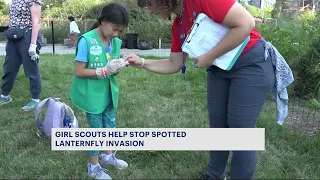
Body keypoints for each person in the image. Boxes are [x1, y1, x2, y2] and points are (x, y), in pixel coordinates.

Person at [125, 0, 293, 180]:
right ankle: (214, 176)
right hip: (219, 69)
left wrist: (210, 56)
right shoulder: (178, 25)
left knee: (241, 133)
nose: (148, 12)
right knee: (218, 128)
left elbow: (246, 23)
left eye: (149, 5)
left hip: (251, 65)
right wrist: (142, 63)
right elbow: (174, 64)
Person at [69, 3, 129, 180]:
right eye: (115, 29)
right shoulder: (86, 41)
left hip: (109, 93)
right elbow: (79, 71)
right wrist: (102, 71)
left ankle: (107, 154)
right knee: (97, 130)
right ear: (104, 21)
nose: (116, 34)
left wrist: (119, 66)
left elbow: (112, 67)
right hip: (92, 96)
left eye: (120, 31)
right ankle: (93, 166)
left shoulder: (116, 42)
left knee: (110, 124)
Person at [0, 0, 43, 111]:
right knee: (9, 67)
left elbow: (36, 22)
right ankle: (5, 96)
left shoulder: (33, 1)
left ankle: (35, 98)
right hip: (13, 36)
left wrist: (33, 44)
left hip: (27, 35)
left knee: (31, 69)